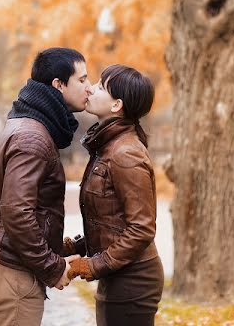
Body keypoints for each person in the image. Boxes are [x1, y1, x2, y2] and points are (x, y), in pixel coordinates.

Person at [0, 48, 91, 326]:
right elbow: (17, 212)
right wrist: (52, 267)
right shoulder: (32, 138)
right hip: (10, 275)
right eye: (82, 80)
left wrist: (60, 248)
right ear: (58, 85)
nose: (90, 88)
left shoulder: (29, 126)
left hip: (9, 270)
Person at [64, 64, 163, 326]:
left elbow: (141, 229)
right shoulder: (109, 147)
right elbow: (111, 221)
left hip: (133, 283)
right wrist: (76, 247)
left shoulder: (125, 153)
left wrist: (93, 265)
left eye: (99, 86)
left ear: (116, 105)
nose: (90, 88)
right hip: (120, 278)